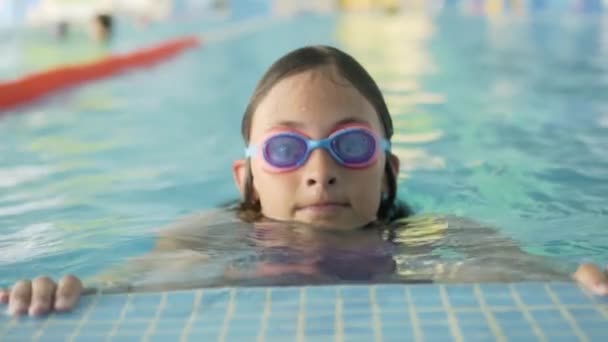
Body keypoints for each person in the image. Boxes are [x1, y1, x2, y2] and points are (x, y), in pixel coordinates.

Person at [1, 46, 606, 317]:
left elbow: (508, 270)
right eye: (288, 149)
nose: (321, 171)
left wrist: (575, 279)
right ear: (250, 181)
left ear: (389, 171)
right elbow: (135, 280)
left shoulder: (432, 237)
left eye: (350, 145)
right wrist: (67, 289)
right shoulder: (208, 237)